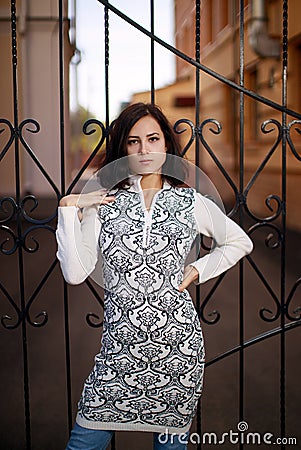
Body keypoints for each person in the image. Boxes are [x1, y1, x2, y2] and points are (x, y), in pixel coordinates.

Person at [56, 103, 253, 450]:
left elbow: (239, 241)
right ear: (122, 149)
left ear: (166, 145)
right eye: (133, 142)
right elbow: (75, 274)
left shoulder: (190, 202)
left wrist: (198, 269)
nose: (144, 150)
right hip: (117, 354)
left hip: (178, 352)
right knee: (84, 443)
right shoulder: (105, 203)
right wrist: (69, 209)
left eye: (152, 139)